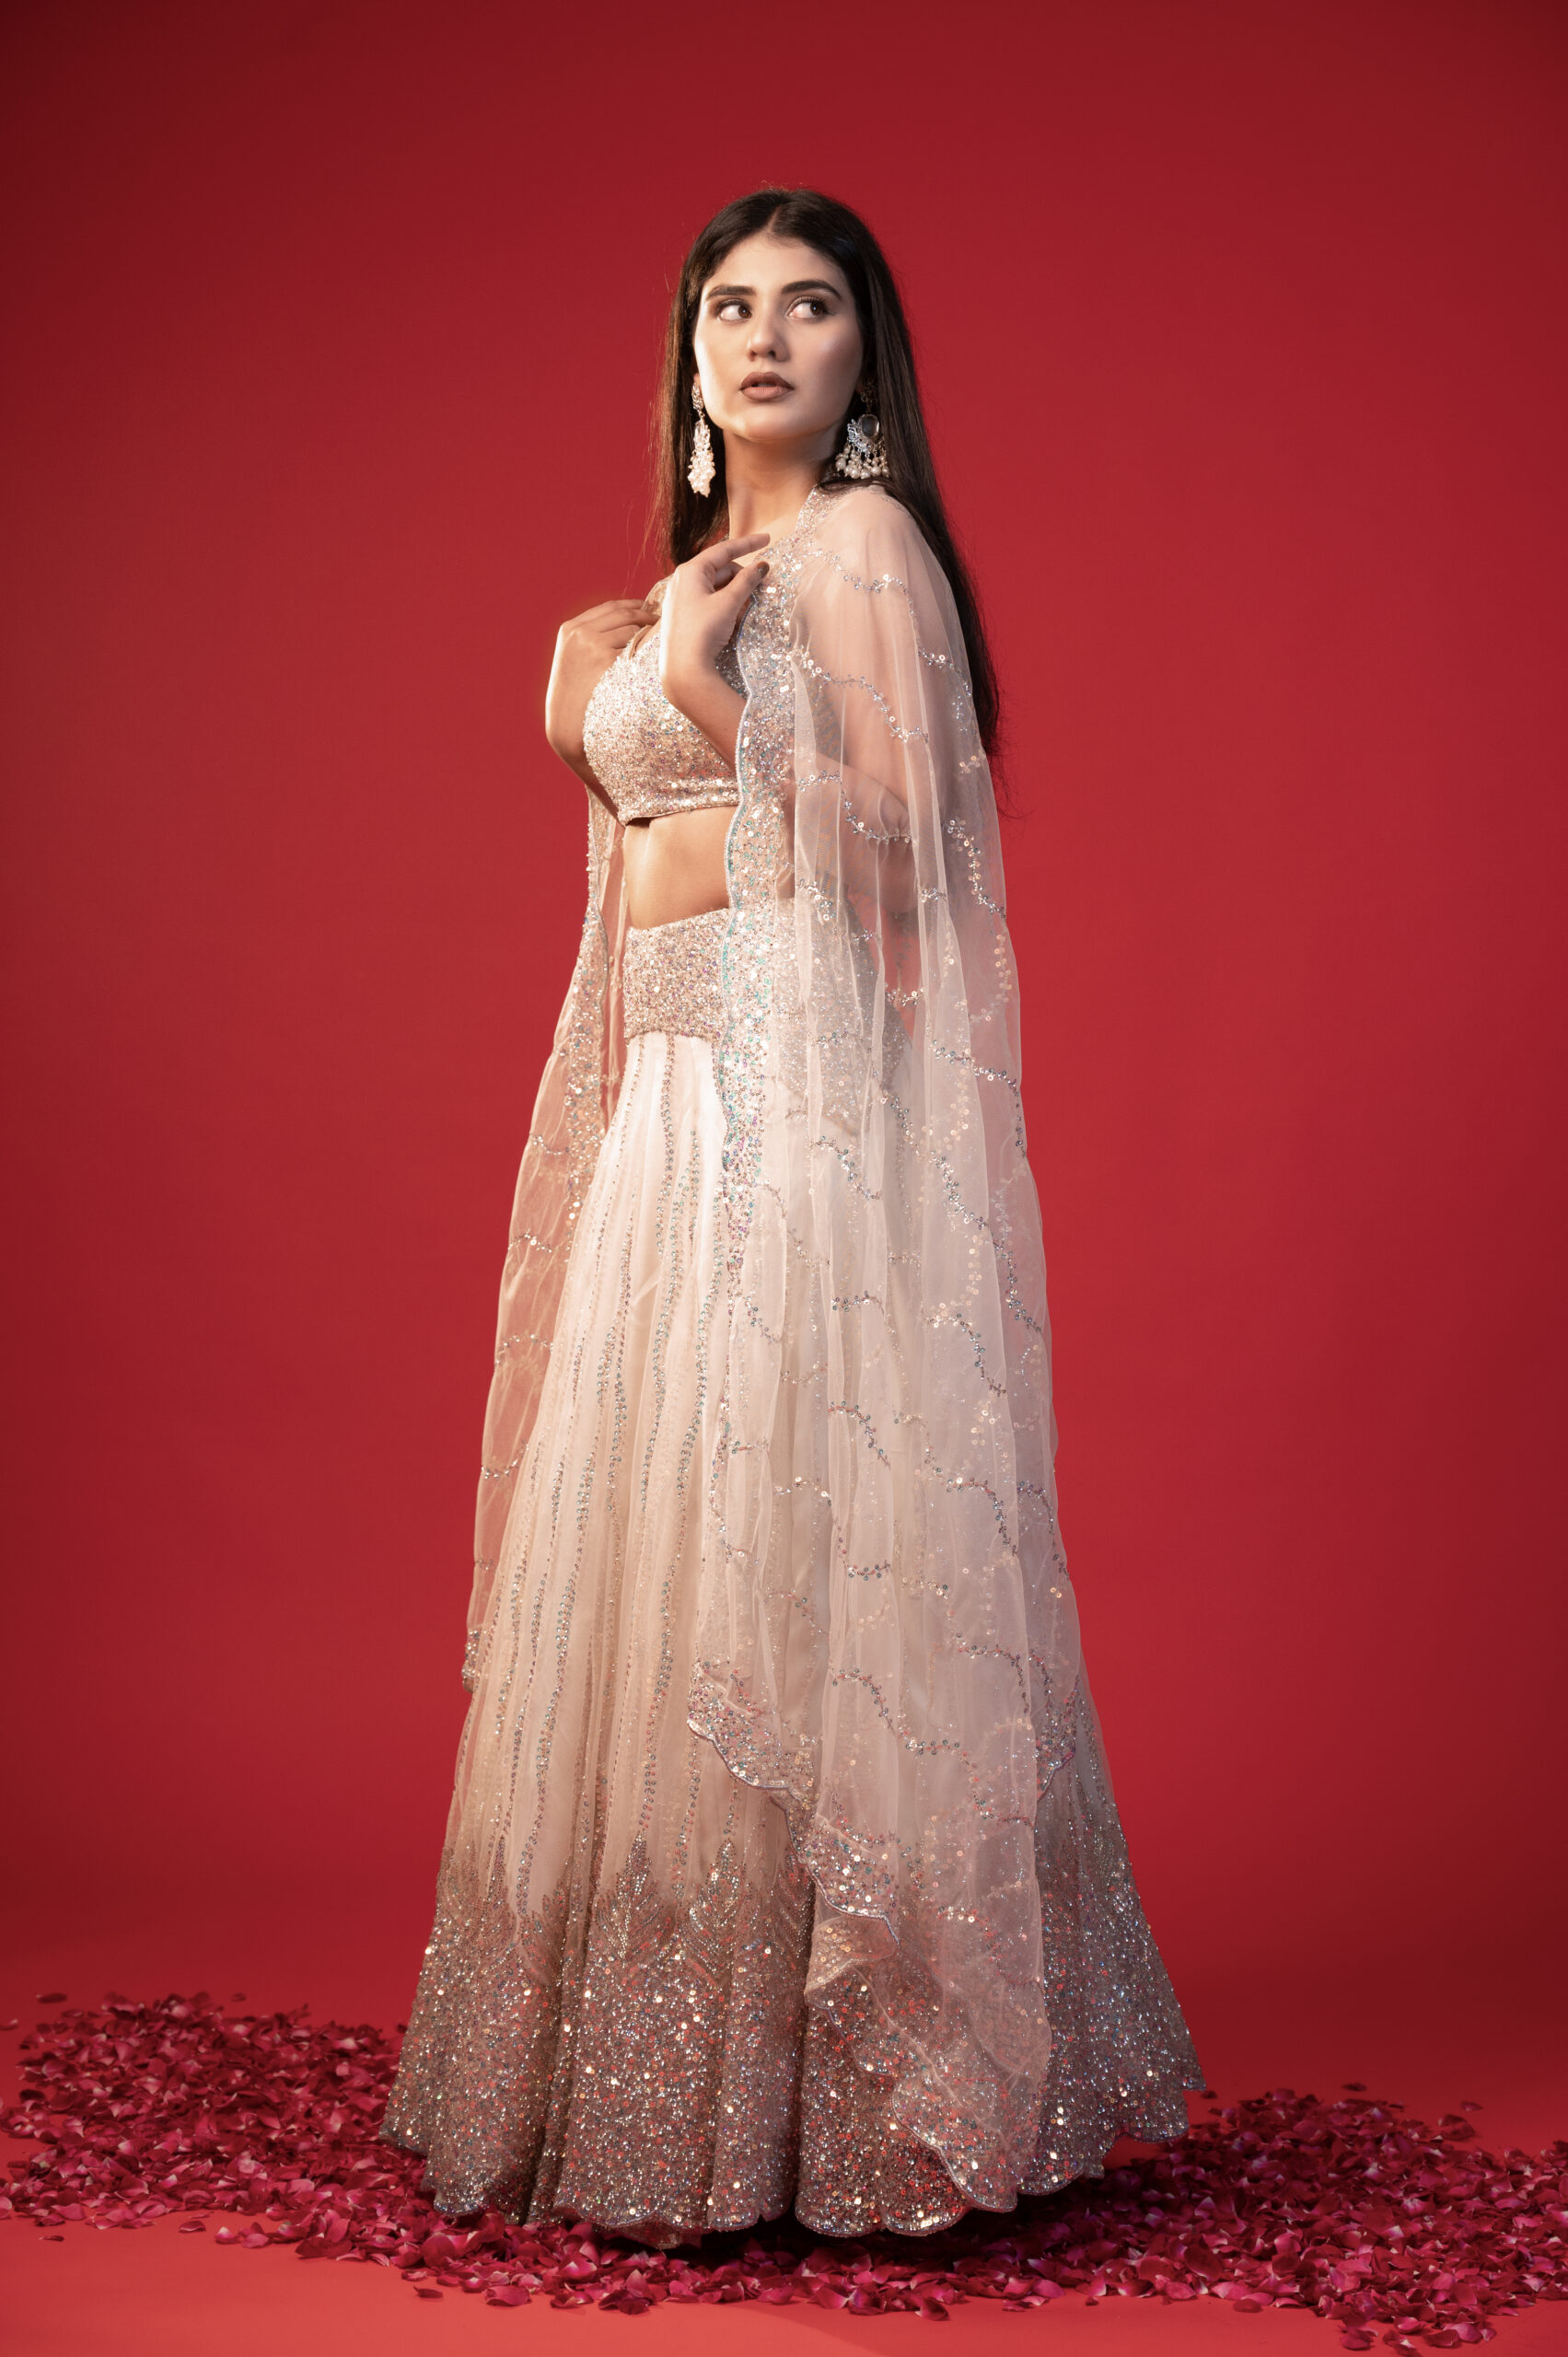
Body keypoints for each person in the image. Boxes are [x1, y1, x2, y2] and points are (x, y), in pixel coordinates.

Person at [382, 186, 1202, 2247]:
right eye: (729, 305)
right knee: (661, 1552)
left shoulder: (860, 548)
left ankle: (841, 2100)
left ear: (863, 358)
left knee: (776, 1546)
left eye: (810, 304)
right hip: (665, 1099)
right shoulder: (677, 584)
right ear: (688, 356)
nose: (763, 335)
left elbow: (904, 864)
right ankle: (658, 2086)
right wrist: (615, 675)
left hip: (794, 1098)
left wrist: (694, 685)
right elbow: (633, 832)